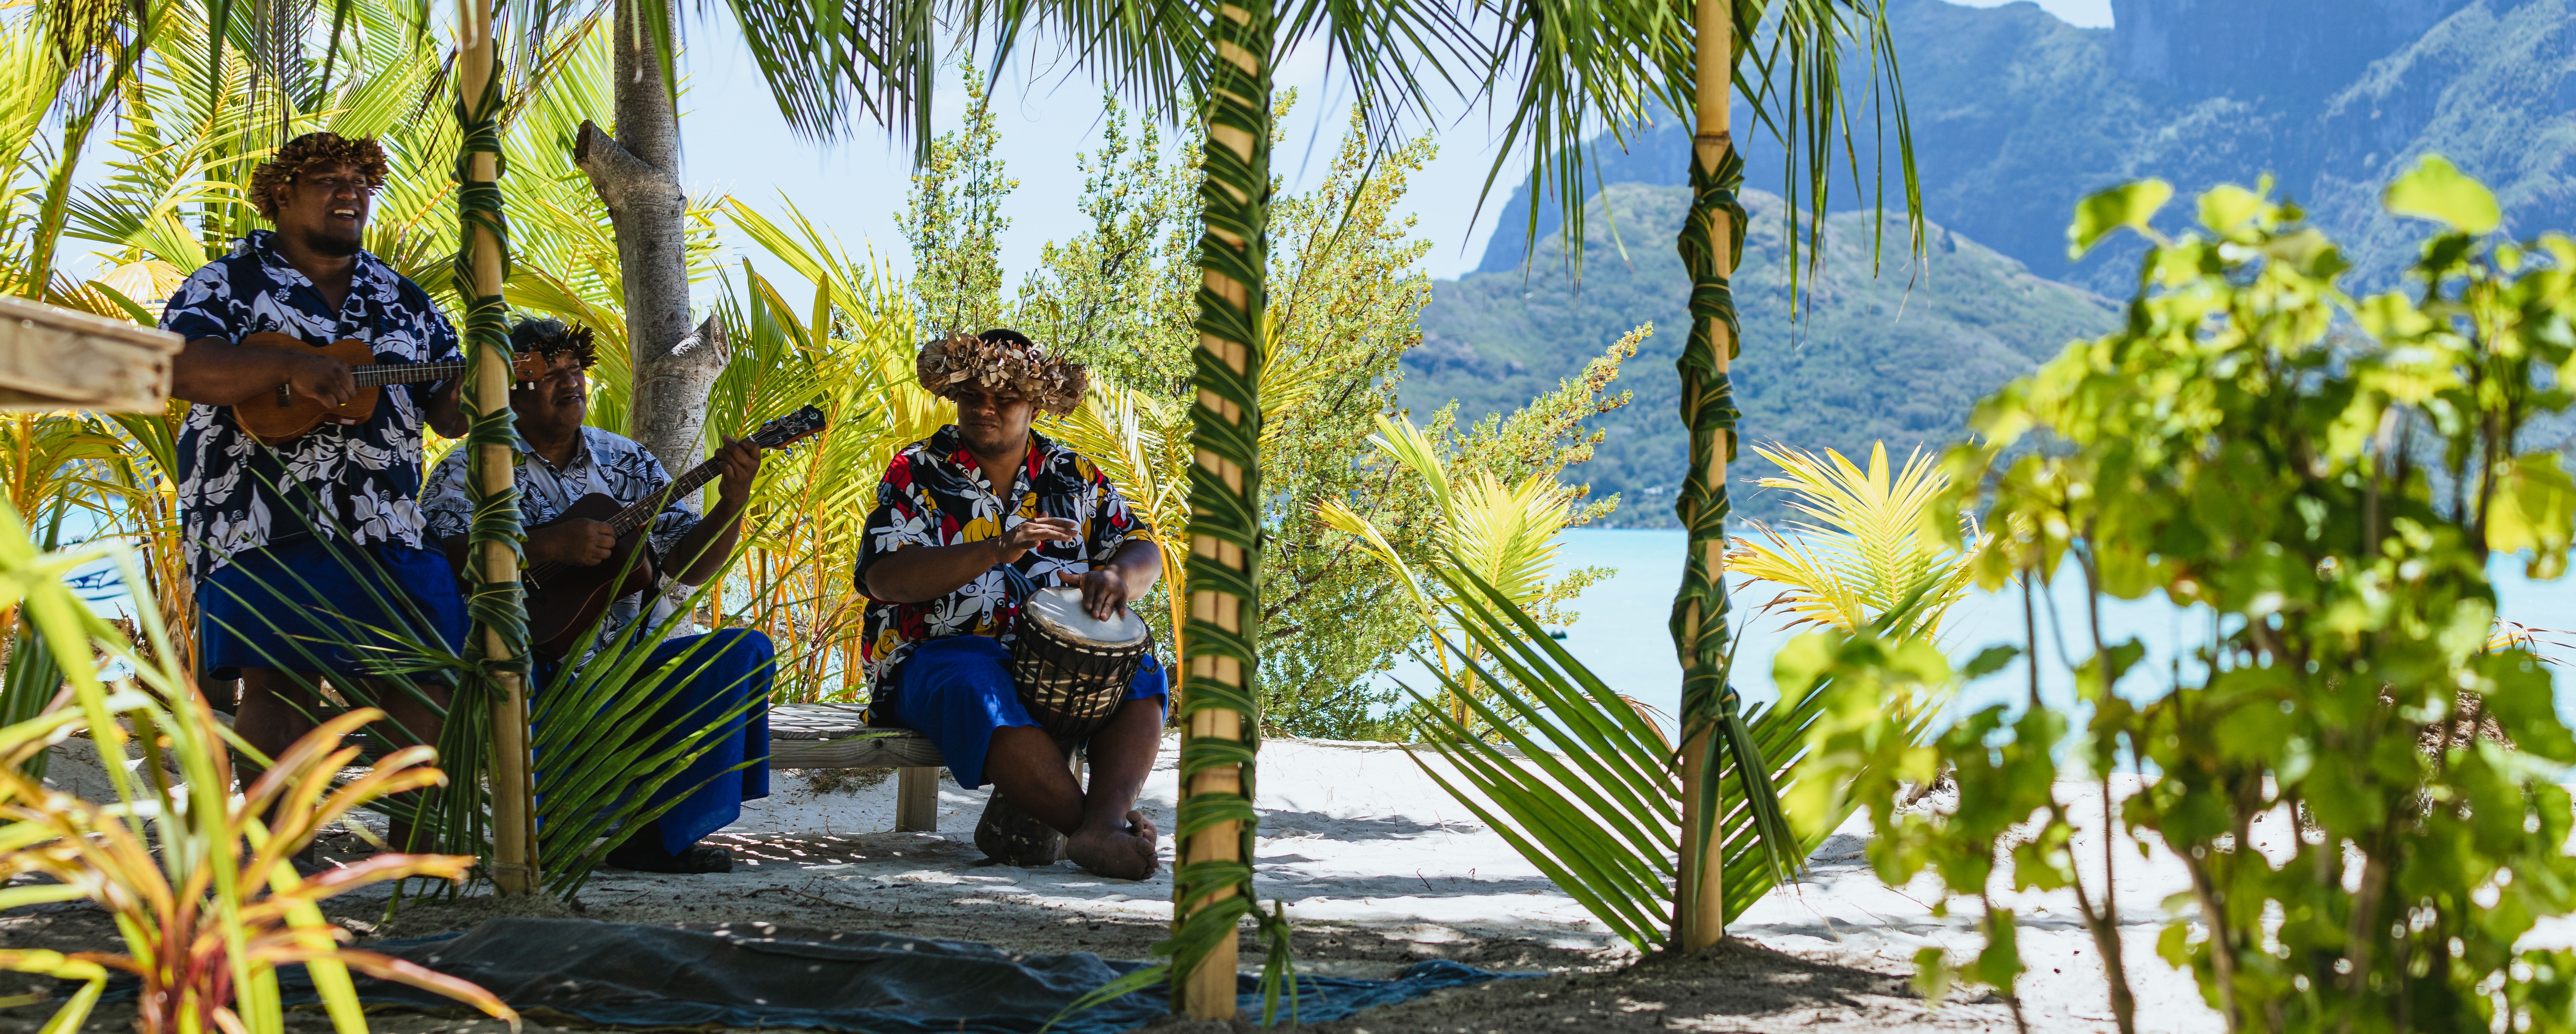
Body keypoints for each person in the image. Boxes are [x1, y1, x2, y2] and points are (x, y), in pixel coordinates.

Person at [162, 131, 468, 839]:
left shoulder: (402, 298)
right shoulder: (227, 282)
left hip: (385, 520)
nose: (350, 192)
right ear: (280, 196)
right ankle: (277, 854)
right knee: (281, 675)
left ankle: (412, 853)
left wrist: (475, 385)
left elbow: (449, 415)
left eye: (361, 182)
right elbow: (180, 366)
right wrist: (283, 371)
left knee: (426, 676)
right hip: (259, 517)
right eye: (329, 179)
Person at [422, 318, 772, 874]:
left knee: (743, 651)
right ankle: (555, 830)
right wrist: (542, 544)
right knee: (513, 667)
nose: (570, 383)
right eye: (549, 373)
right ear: (507, 387)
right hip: (526, 660)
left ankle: (663, 836)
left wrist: (731, 503)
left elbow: (688, 564)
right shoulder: (469, 467)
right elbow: (440, 562)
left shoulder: (627, 462)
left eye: (574, 370)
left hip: (627, 662)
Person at [855, 329, 1165, 880]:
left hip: (1046, 660)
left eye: (1004, 398)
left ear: (1036, 401)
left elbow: (1140, 546)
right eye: (971, 393)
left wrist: (1117, 576)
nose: (984, 407)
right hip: (933, 657)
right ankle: (1092, 831)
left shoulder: (1073, 473)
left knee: (1139, 667)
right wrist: (995, 549)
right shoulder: (915, 471)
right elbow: (884, 578)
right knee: (975, 684)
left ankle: (1107, 818)